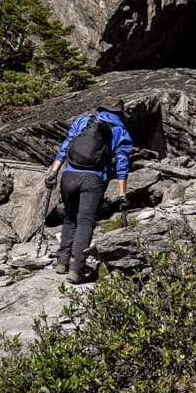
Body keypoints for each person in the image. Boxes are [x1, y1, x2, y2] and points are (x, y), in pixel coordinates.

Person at [43, 95, 133, 283]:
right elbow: (122, 164)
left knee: (70, 218)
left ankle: (62, 262)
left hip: (69, 175)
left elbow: (66, 146)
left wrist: (53, 172)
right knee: (85, 221)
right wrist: (122, 194)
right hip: (94, 179)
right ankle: (76, 269)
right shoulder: (120, 130)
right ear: (119, 112)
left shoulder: (83, 121)